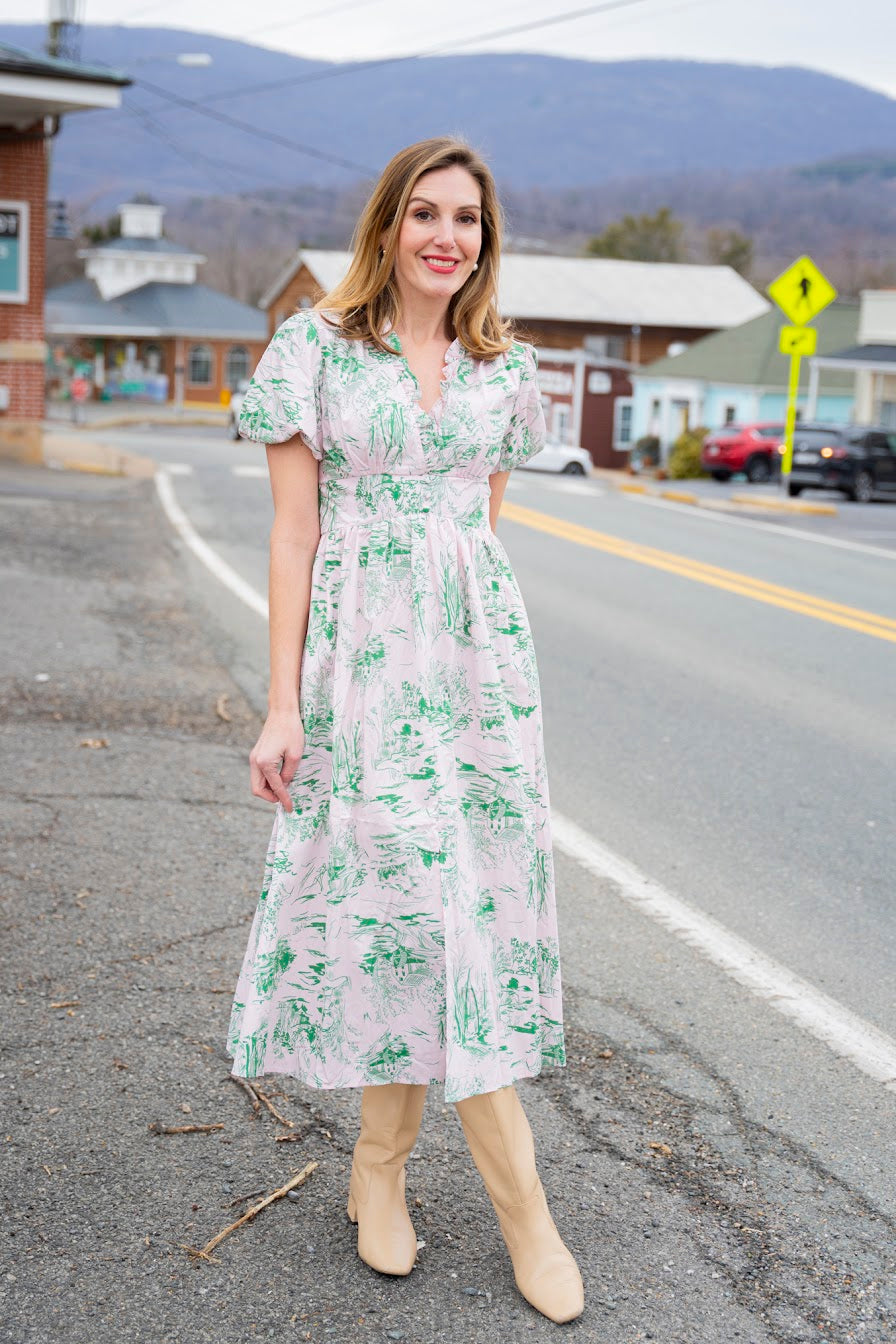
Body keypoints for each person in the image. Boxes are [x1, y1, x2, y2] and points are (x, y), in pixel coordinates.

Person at [227, 136, 584, 1325]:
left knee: (447, 909)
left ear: (487, 239)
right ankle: (520, 1209)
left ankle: (377, 1167)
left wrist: (470, 659)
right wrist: (283, 706)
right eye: (424, 213)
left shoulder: (502, 369)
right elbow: (292, 534)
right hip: (360, 670)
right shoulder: (315, 352)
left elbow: (479, 525)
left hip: (477, 674)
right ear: (385, 225)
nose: (446, 236)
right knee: (417, 909)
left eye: (468, 220)